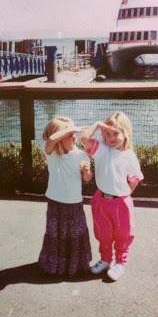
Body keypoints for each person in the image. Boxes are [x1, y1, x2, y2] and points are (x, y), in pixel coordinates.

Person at [81, 111, 144, 281]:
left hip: (121, 202)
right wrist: (97, 125)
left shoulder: (130, 156)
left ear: (126, 133)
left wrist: (123, 195)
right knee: (103, 233)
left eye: (116, 133)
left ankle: (120, 263)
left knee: (123, 234)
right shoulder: (102, 150)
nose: (111, 138)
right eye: (107, 134)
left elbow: (134, 180)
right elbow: (84, 140)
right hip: (100, 200)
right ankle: (105, 260)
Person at [38, 116, 92, 277]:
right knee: (57, 234)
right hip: (56, 202)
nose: (74, 137)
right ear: (60, 136)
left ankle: (76, 264)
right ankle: (56, 265)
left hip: (75, 203)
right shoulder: (51, 153)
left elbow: (87, 179)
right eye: (70, 135)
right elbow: (51, 139)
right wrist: (70, 128)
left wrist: (87, 172)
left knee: (75, 234)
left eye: (74, 134)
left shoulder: (81, 155)